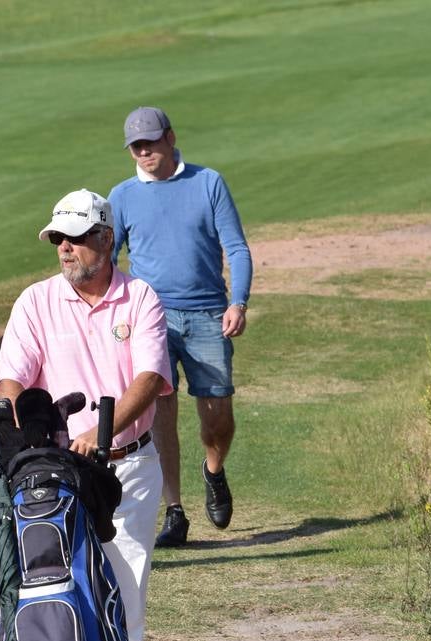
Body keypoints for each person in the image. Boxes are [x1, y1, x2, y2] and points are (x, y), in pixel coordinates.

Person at [0, 188, 171, 641]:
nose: (64, 249)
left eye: (74, 238)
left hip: (125, 466)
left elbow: (149, 379)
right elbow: (12, 377)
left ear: (104, 239)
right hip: (58, 476)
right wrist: (21, 422)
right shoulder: (37, 301)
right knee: (58, 593)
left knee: (124, 596)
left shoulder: (139, 297)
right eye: (57, 240)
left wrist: (101, 429)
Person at [109, 106, 253, 547]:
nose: (145, 151)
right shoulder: (122, 195)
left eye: (151, 142)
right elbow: (108, 260)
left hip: (209, 314)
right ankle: (175, 511)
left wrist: (238, 302)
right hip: (150, 317)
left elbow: (237, 247)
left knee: (217, 419)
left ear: (170, 138)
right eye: (137, 146)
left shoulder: (208, 183)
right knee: (159, 419)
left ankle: (213, 469)